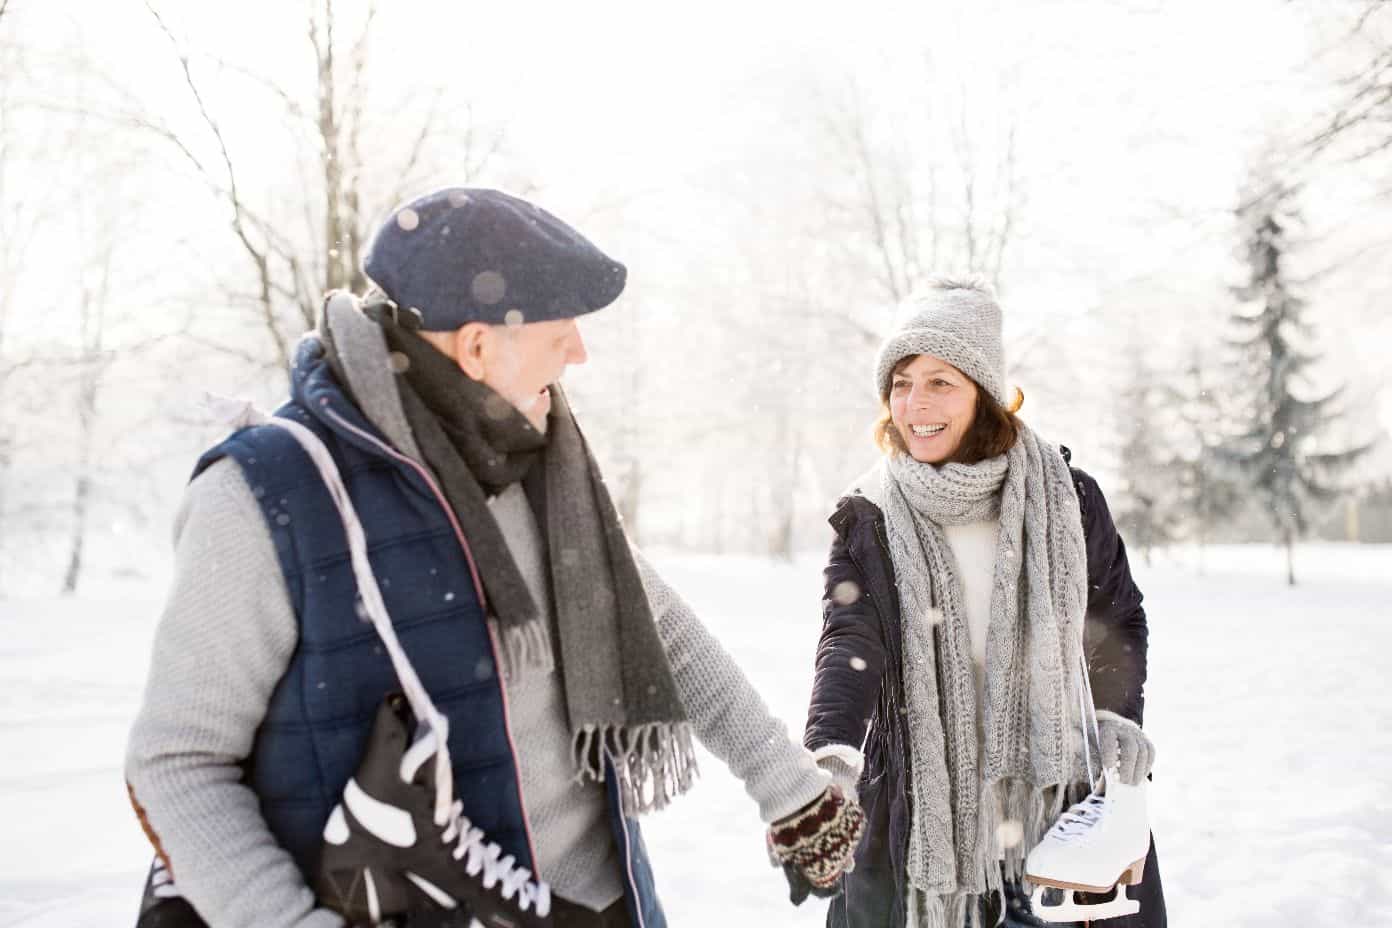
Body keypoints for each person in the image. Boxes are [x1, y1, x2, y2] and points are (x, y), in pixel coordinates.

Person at [125, 187, 861, 928]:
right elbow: (179, 765)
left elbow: (652, 621)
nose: (579, 351)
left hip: (597, 902)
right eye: (559, 330)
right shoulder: (267, 493)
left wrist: (789, 785)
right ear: (477, 347)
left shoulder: (537, 453)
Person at [802, 277, 1167, 927]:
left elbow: (1115, 619)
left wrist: (1116, 717)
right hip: (920, 805)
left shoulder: (1064, 498)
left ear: (985, 394)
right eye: (902, 382)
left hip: (1058, 801)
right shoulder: (869, 514)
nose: (916, 403)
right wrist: (831, 753)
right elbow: (848, 643)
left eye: (941, 381)